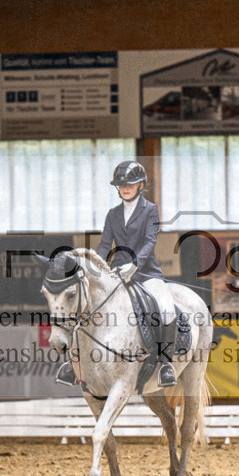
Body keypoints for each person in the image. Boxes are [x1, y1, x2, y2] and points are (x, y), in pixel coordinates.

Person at [55, 160, 179, 388]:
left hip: (146, 273)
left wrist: (135, 265)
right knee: (85, 306)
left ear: (141, 185)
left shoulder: (150, 210)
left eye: (130, 184)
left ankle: (165, 363)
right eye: (121, 185)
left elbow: (150, 241)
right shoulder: (113, 214)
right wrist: (97, 268)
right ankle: (75, 365)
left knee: (166, 309)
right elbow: (104, 244)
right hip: (116, 274)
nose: (125, 188)